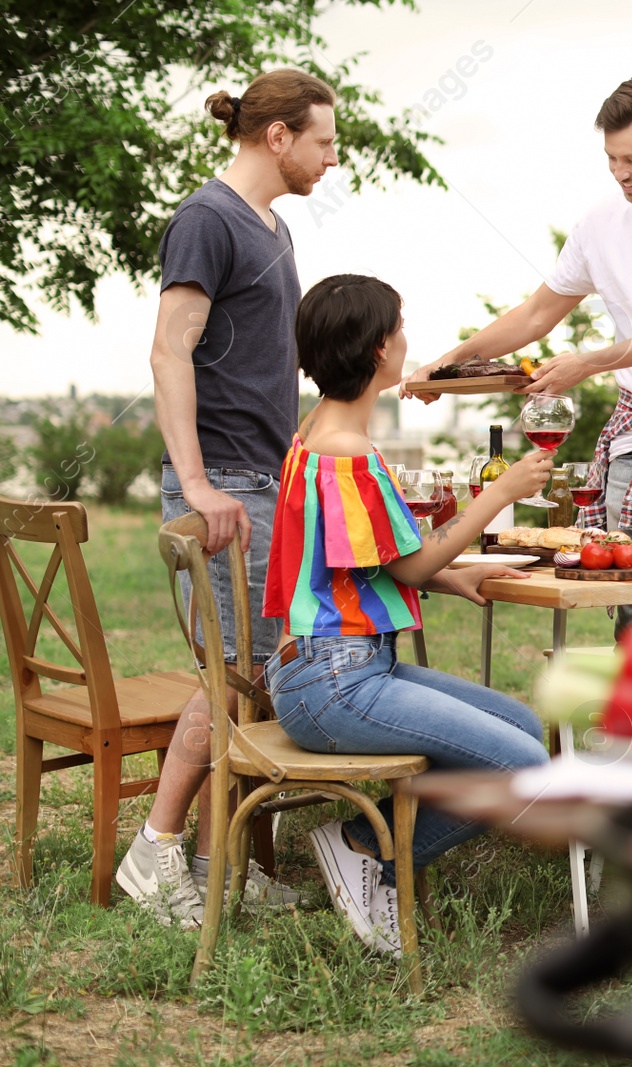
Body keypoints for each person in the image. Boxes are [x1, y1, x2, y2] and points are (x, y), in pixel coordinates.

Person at [402, 75, 632, 642]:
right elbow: (535, 315)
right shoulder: (598, 224)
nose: (621, 171)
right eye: (611, 158)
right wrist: (448, 364)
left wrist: (590, 362)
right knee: (629, 588)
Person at [263, 274, 552, 955]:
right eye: (399, 327)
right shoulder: (348, 451)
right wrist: (500, 491)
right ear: (377, 349)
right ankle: (365, 848)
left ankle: (375, 855)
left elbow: (380, 561)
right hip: (336, 682)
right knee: (525, 764)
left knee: (522, 726)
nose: (406, 339)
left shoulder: (317, 431)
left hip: (336, 666)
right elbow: (412, 566)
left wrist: (461, 579)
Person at [120, 69, 339, 927]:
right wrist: (202, 482)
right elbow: (170, 352)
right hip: (223, 486)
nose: (332, 157)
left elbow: (264, 368)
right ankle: (155, 852)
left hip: (262, 478)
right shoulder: (208, 220)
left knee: (252, 679)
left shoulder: (272, 228)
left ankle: (222, 869)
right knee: (233, 676)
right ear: (277, 135)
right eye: (322, 140)